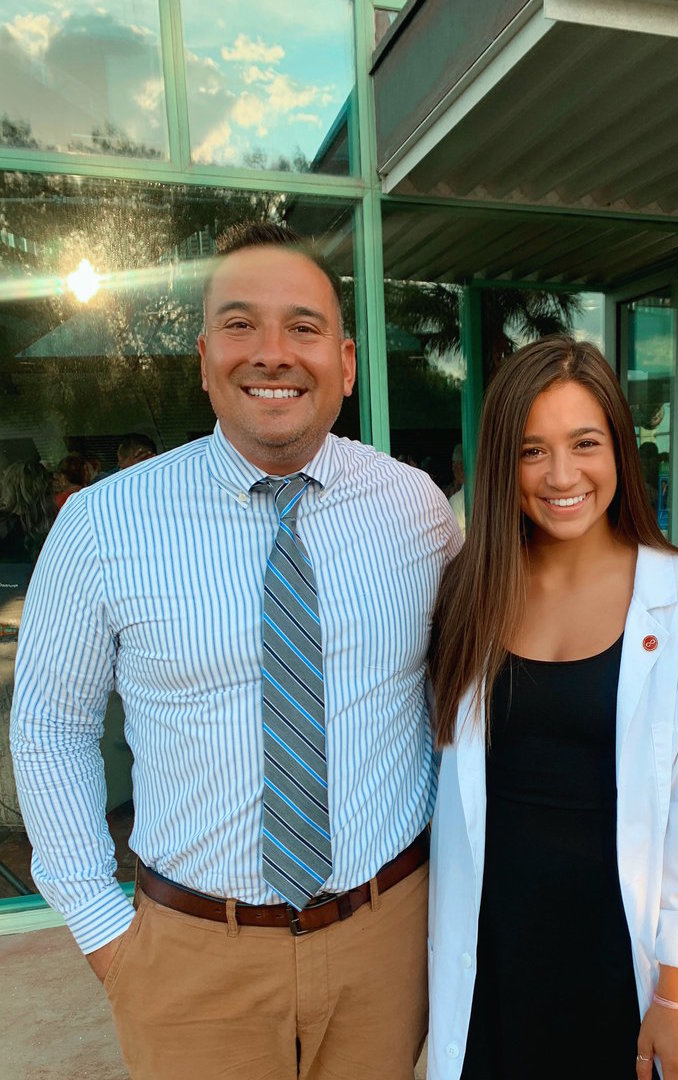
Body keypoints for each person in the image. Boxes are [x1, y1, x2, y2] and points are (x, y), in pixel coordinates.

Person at [10, 222, 461, 1080]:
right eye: (241, 324)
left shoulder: (416, 511)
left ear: (347, 362)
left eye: (303, 327)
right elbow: (49, 730)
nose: (272, 353)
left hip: (388, 946)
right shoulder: (102, 525)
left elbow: (456, 695)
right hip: (191, 961)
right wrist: (105, 932)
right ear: (205, 355)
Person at [426, 336, 678, 1080]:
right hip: (490, 953)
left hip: (616, 959)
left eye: (585, 444)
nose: (561, 476)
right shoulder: (469, 589)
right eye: (532, 451)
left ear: (621, 449)